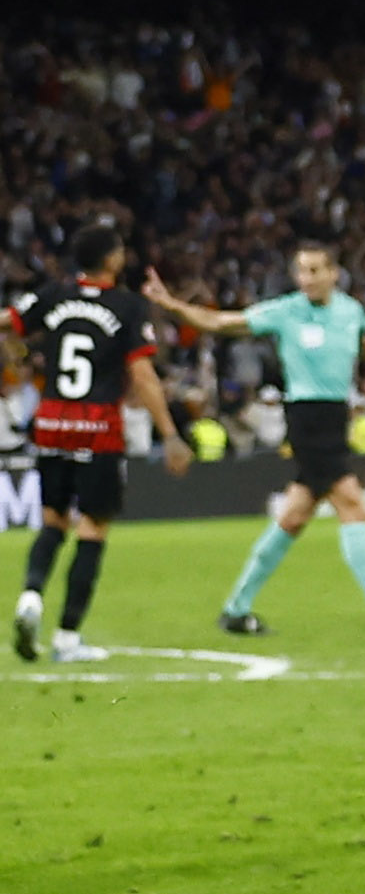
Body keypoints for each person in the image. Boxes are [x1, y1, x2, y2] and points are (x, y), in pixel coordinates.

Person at [143, 247, 365, 634]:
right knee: (351, 502)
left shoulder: (351, 311)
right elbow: (219, 322)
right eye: (301, 271)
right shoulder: (285, 312)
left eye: (314, 270)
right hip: (307, 420)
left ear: (334, 273)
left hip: (335, 418)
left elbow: (362, 341)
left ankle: (236, 609)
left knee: (294, 516)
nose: (306, 279)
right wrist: (172, 305)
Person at [7, 224, 190, 662]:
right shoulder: (127, 306)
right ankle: (67, 638)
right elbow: (143, 375)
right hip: (98, 427)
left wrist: (21, 355)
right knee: (92, 528)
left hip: (52, 423)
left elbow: (8, 322)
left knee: (53, 521)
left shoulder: (54, 295)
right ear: (111, 259)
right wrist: (169, 433)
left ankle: (30, 596)